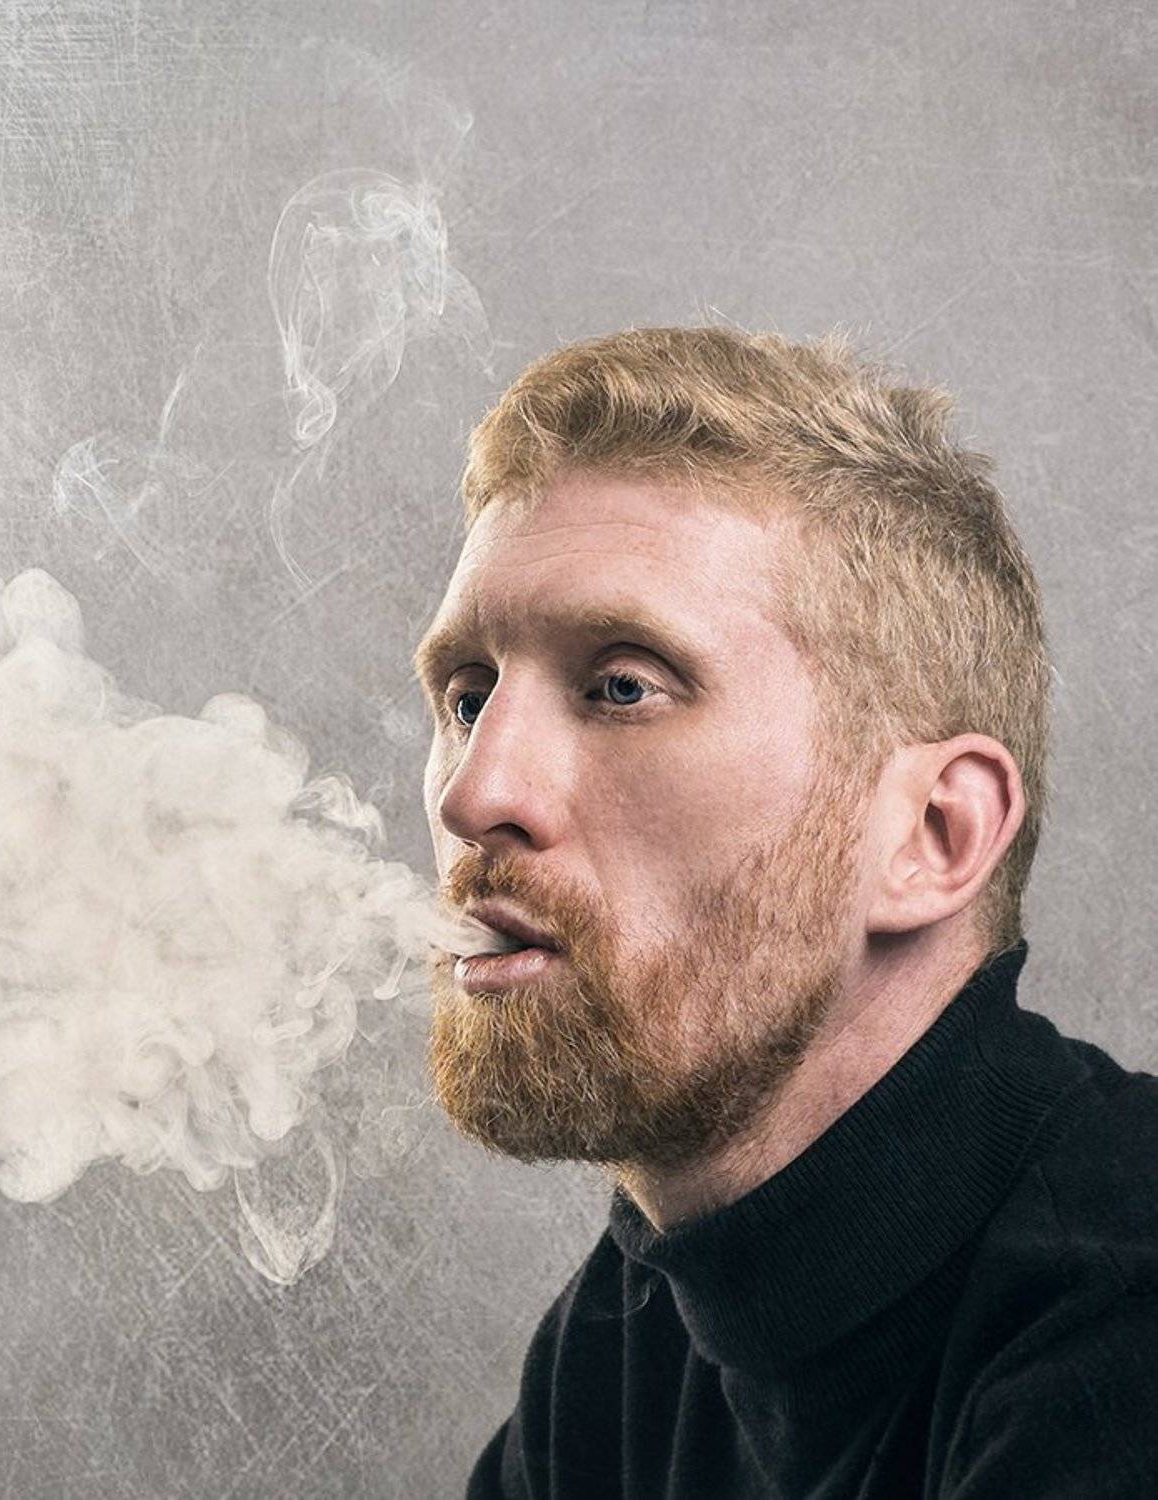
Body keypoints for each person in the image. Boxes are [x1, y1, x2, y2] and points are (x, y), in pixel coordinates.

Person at [412, 326, 1158, 1498]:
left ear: (933, 836)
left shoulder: (1124, 1324)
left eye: (621, 686)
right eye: (468, 698)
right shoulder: (626, 1336)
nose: (474, 794)